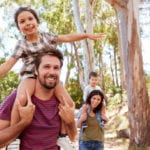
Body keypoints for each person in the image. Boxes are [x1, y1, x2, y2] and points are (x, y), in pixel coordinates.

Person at [0, 6, 106, 147]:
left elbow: (67, 37)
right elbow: (8, 64)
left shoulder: (46, 37)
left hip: (49, 77)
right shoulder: (22, 44)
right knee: (21, 99)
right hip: (30, 76)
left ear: (37, 22)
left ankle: (62, 135)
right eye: (22, 21)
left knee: (68, 103)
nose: (27, 23)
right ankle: (15, 139)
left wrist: (85, 36)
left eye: (30, 19)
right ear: (19, 28)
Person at [0, 47, 77, 150]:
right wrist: (23, 123)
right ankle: (15, 140)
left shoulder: (61, 100)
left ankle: (62, 137)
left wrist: (71, 122)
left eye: (56, 68)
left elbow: (73, 137)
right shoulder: (18, 96)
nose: (52, 72)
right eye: (46, 67)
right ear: (36, 70)